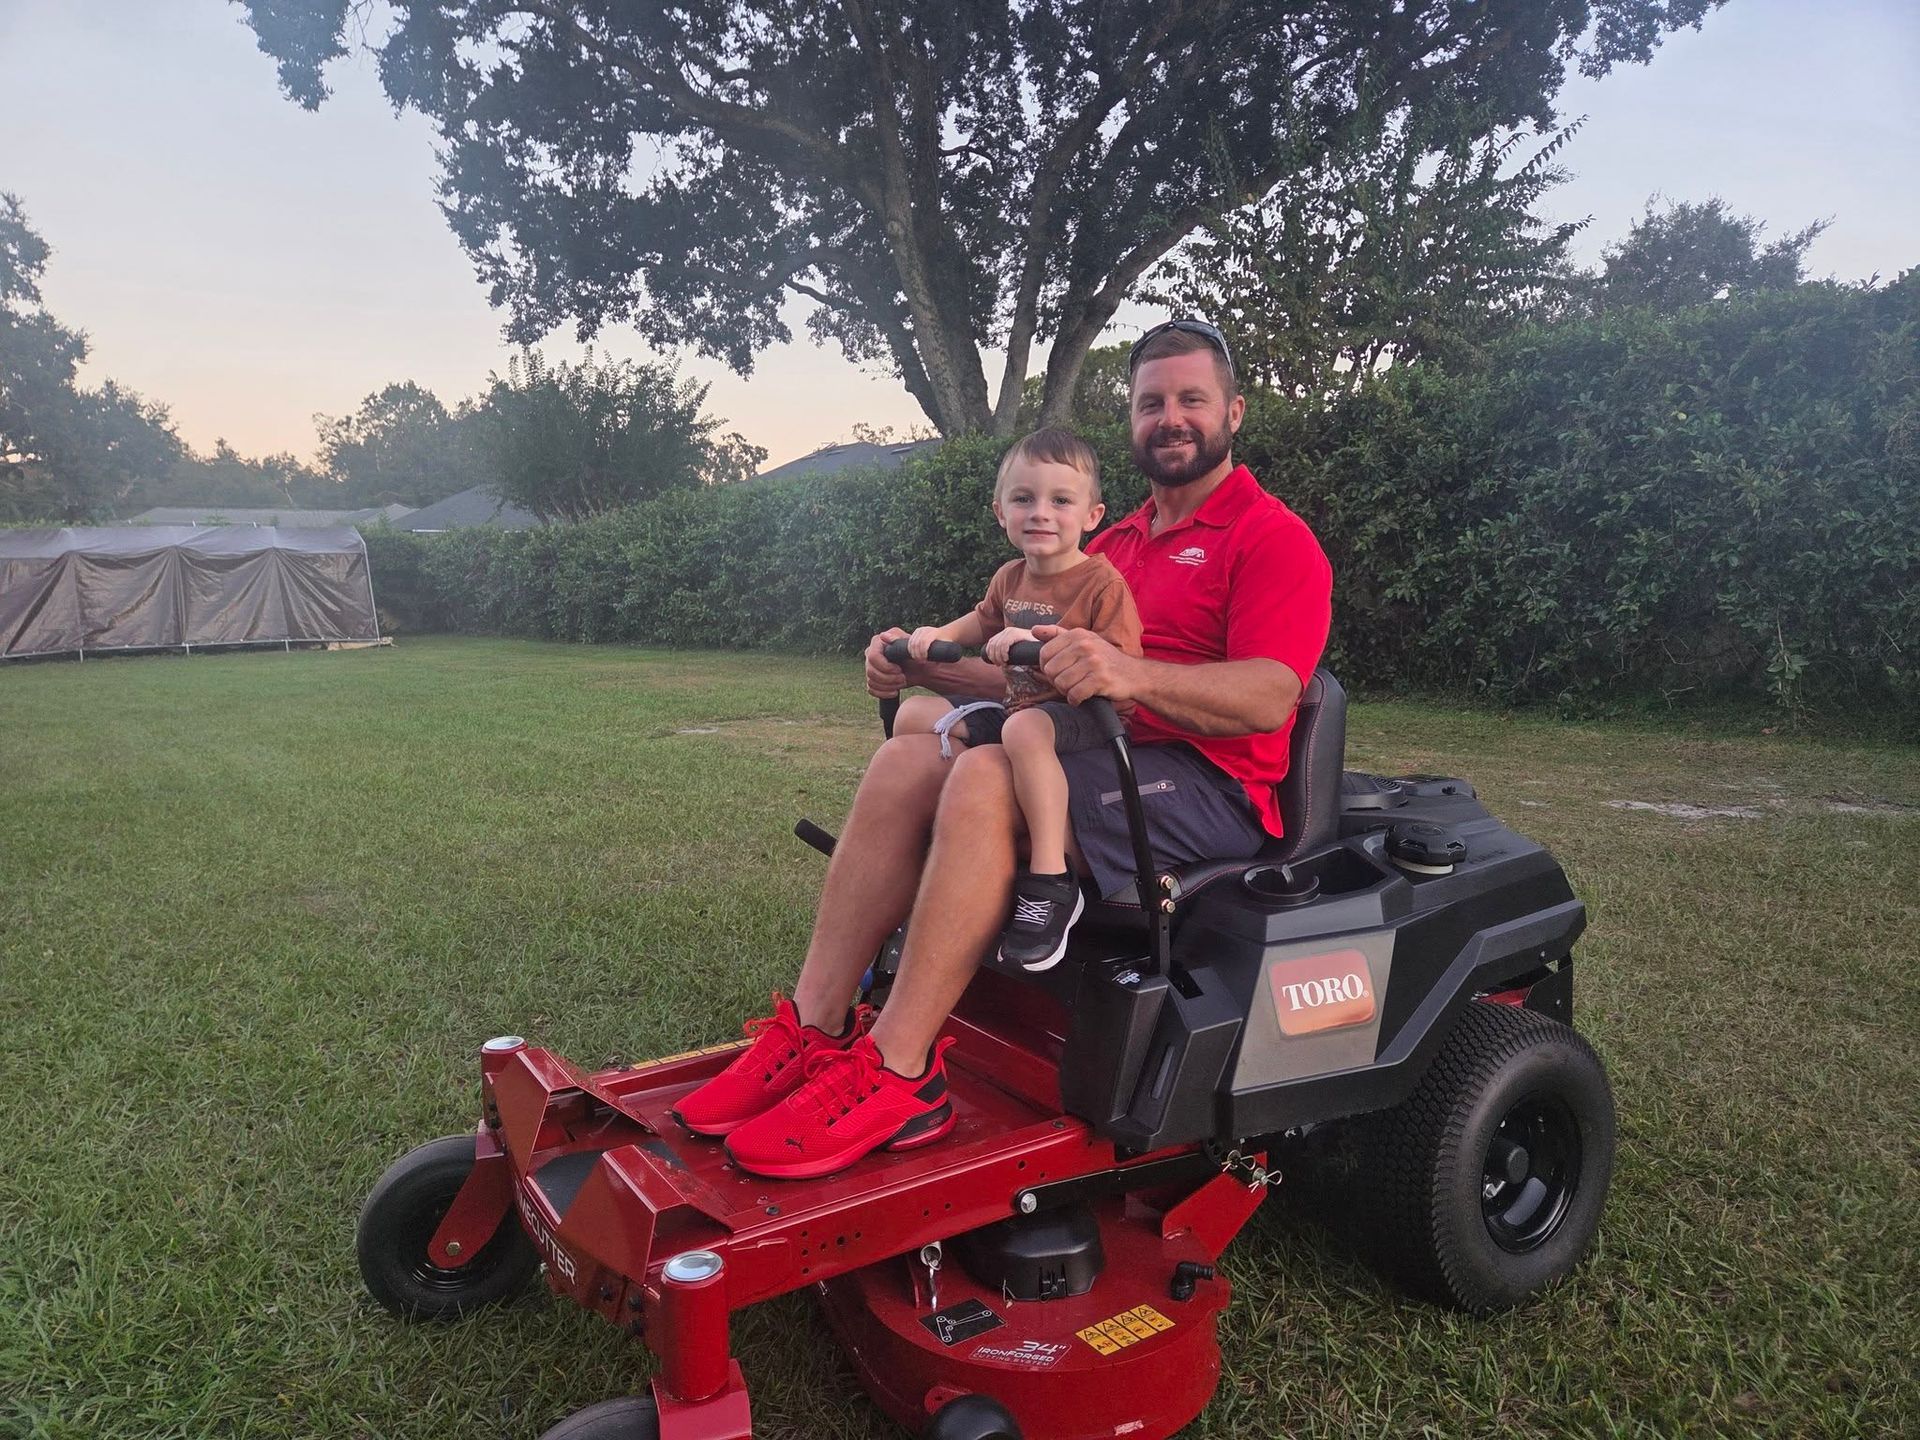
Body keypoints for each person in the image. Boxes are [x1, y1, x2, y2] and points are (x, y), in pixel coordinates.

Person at [672, 318, 1333, 1181]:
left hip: (1210, 786)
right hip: (1090, 749)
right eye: (1151, 403)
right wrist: (920, 662)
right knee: (907, 756)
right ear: (1132, 419)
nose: (1170, 418)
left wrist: (1128, 673)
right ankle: (816, 1025)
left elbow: (1272, 693)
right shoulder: (1110, 544)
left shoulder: (1272, 538)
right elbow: (1025, 676)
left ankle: (902, 1073)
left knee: (986, 773)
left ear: (1233, 412)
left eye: (1191, 400)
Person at [891, 426, 1143, 971]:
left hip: (1088, 717)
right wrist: (936, 636)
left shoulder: (1102, 583)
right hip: (1019, 709)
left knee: (1025, 730)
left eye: (1061, 501)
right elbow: (979, 622)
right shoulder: (1010, 577)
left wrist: (1041, 643)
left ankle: (1051, 879)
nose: (1040, 513)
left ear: (1092, 515)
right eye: (1024, 499)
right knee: (914, 714)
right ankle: (943, 841)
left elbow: (1120, 663)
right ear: (1000, 512)